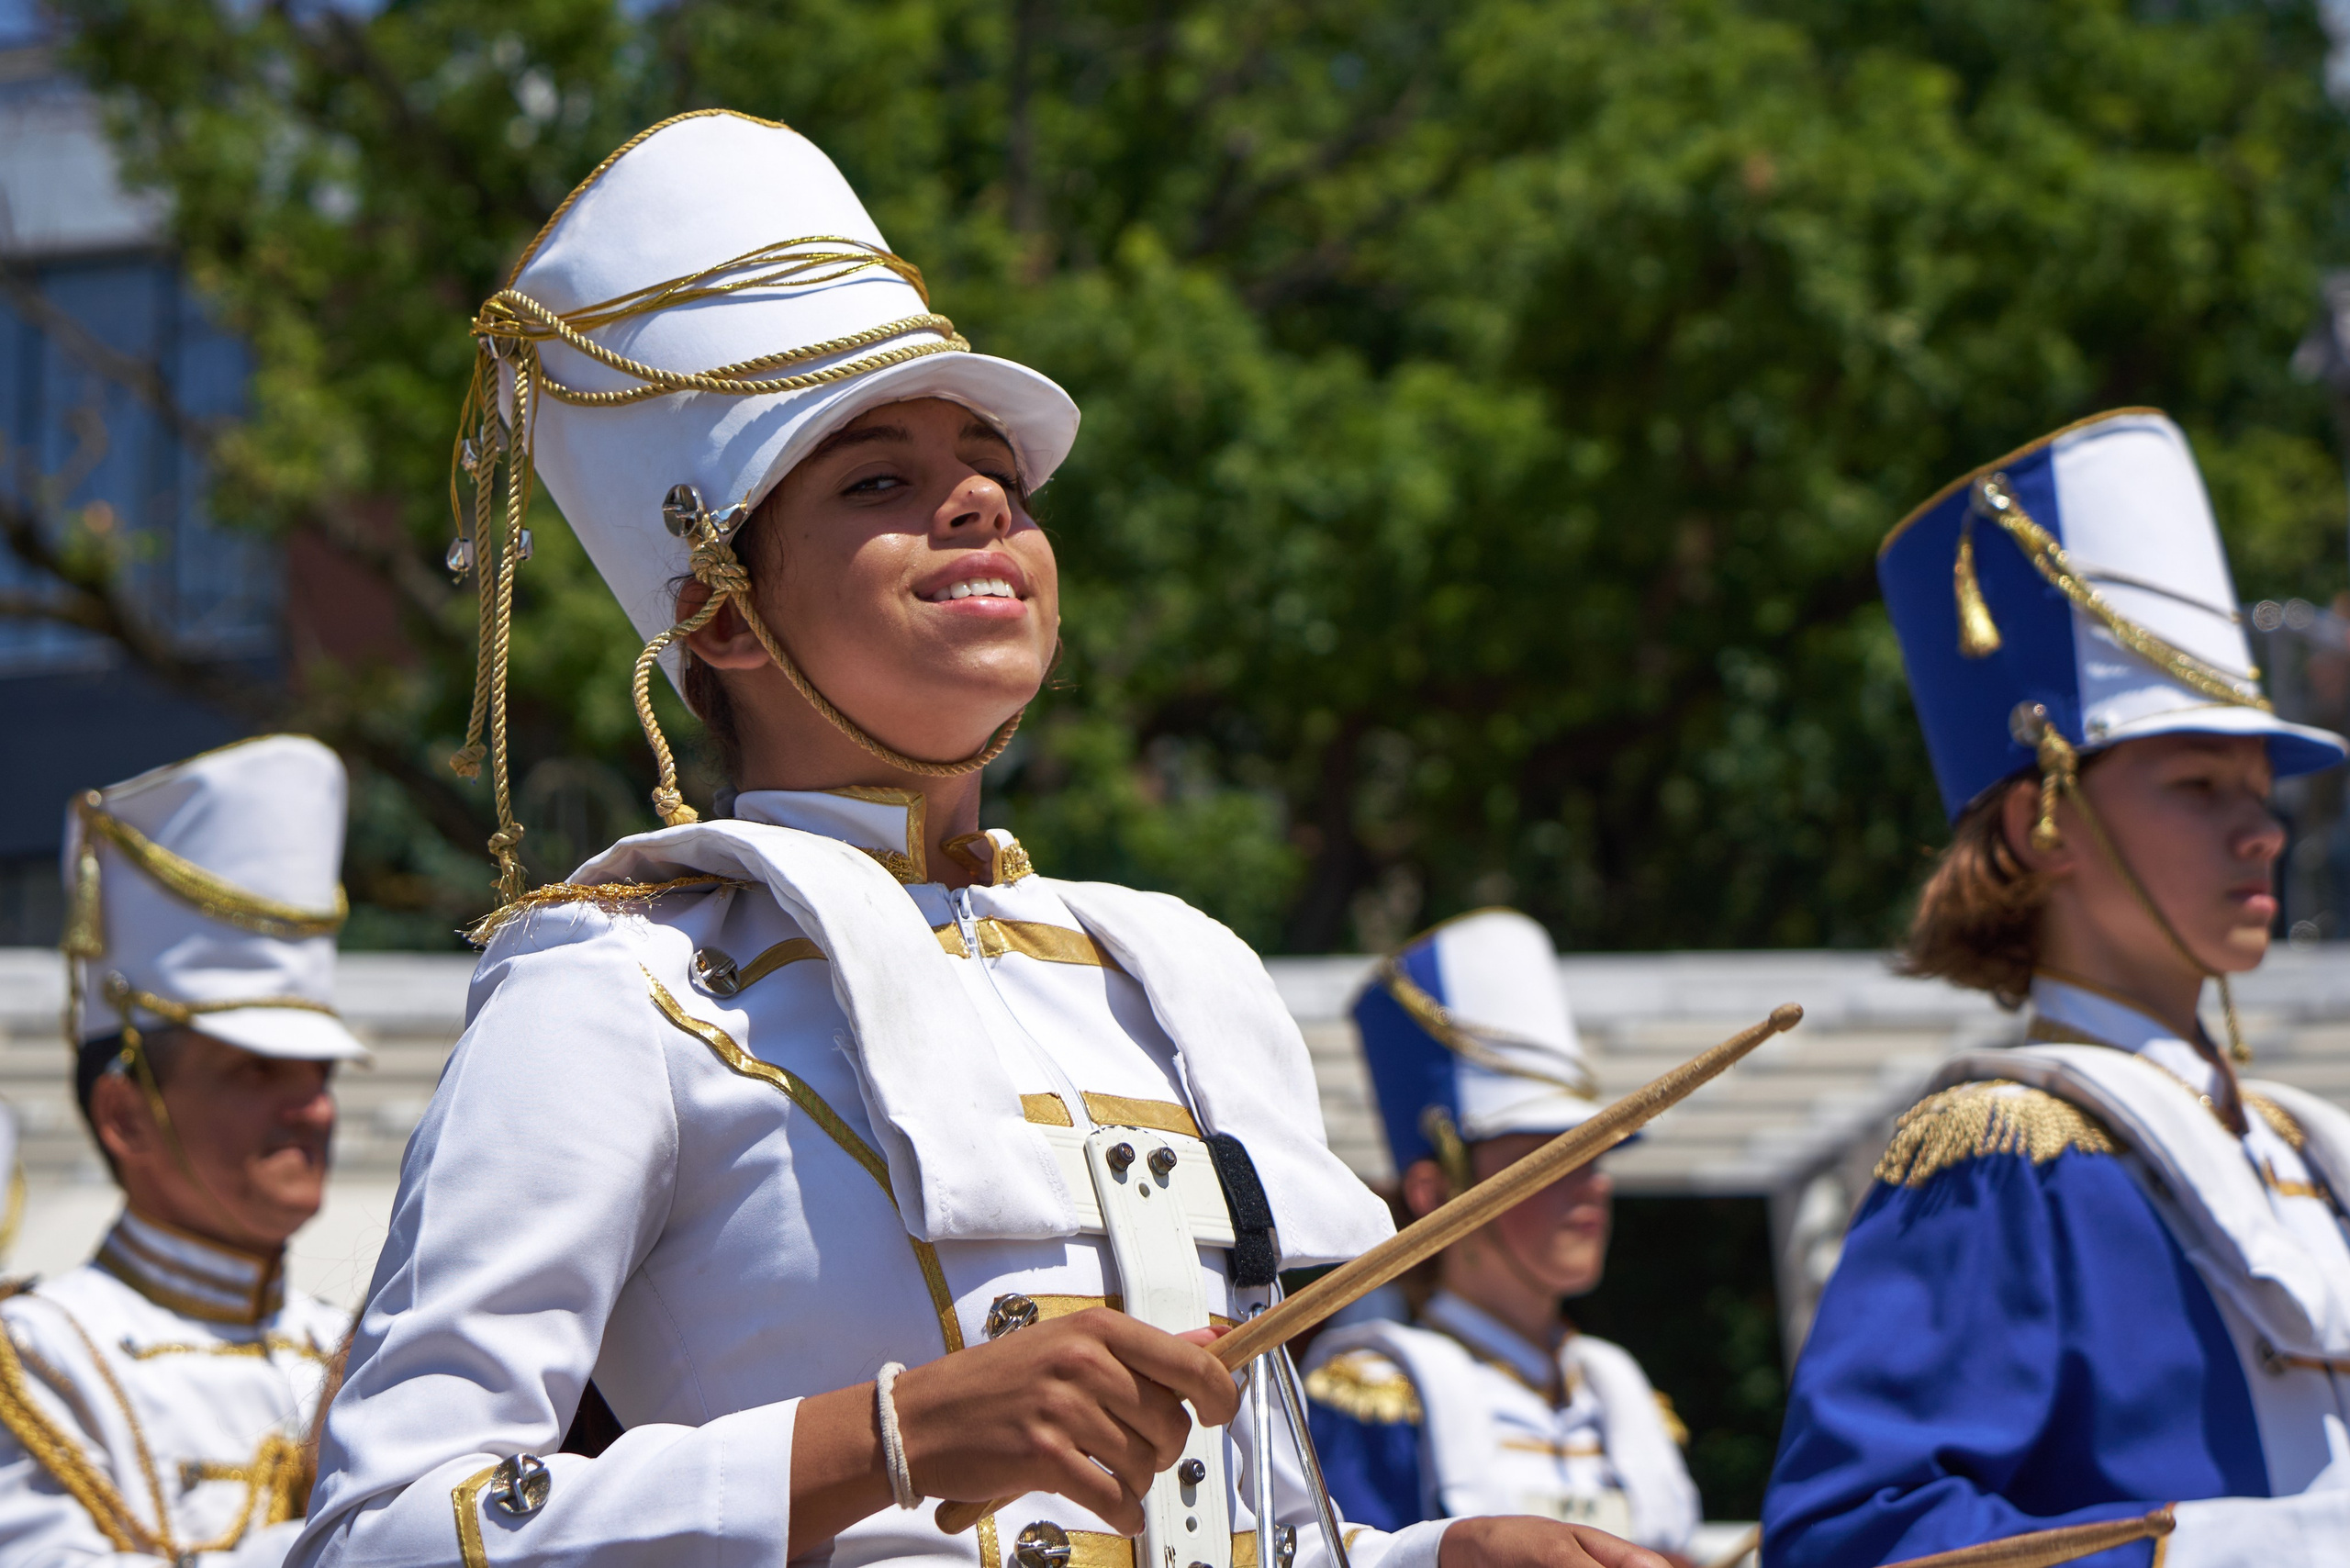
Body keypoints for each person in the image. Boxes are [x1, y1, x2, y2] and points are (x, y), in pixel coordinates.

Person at [290, 111, 1664, 1568]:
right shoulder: (619, 992)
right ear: (714, 614)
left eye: (994, 468)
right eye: (876, 480)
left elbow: (1226, 1531)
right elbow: (382, 1528)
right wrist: (891, 1435)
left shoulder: (1160, 980)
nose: (980, 502)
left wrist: (1434, 1558)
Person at [1762, 409, 2350, 1567]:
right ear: (2043, 825)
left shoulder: (2306, 1150)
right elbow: (1852, 1540)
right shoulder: (1997, 1158)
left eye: (2259, 790)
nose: (2261, 831)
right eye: (2197, 784)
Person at [0, 735, 367, 1565]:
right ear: (126, 1113)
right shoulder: (36, 1360)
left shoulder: (357, 1347)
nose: (312, 1107)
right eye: (257, 1071)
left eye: (321, 1075)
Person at [1303, 911, 1700, 1560]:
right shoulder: (1374, 1393)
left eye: (1594, 1159)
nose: (1593, 1184)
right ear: (1437, 1195)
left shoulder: (1620, 1391)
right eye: (1549, 1162)